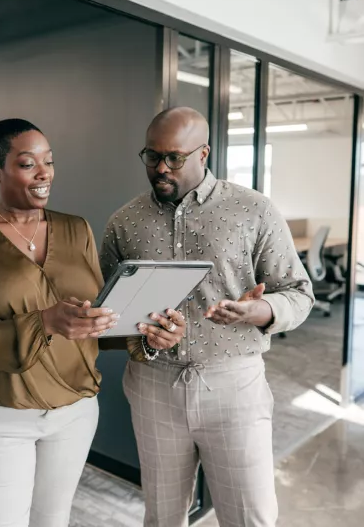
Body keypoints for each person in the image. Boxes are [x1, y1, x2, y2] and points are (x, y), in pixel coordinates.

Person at [0, 118, 187, 527]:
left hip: (75, 411)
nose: (43, 174)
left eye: (49, 162)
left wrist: (148, 334)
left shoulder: (76, 229)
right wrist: (44, 323)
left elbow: (97, 322)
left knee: (52, 521)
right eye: (27, 163)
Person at [100, 107, 314, 527]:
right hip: (153, 387)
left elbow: (300, 294)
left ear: (204, 153)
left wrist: (262, 310)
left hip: (234, 385)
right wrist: (144, 338)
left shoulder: (254, 210)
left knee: (249, 516)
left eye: (174, 158)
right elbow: (109, 316)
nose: (160, 168)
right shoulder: (124, 222)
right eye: (151, 156)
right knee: (162, 517)